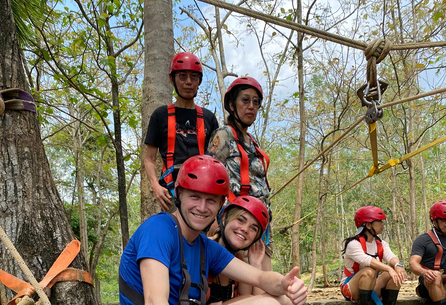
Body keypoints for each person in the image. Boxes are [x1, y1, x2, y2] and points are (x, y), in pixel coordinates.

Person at [119, 155, 307, 305]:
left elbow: (259, 277)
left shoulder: (206, 247)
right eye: (195, 196)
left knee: (281, 300)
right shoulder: (158, 229)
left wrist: (285, 285)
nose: (202, 207)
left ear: (220, 204)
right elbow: (154, 301)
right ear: (180, 194)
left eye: (211, 200)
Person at [208, 76, 273, 271]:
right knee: (240, 283)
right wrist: (213, 221)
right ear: (231, 104)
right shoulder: (224, 135)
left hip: (260, 223)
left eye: (256, 102)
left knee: (264, 279)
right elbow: (210, 177)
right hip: (236, 222)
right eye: (245, 100)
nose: (251, 106)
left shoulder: (253, 142)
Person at [145, 52, 219, 211]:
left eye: (194, 77)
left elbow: (217, 161)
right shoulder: (161, 115)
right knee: (173, 233)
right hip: (171, 193)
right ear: (172, 79)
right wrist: (156, 186)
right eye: (182, 76)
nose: (188, 82)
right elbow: (149, 159)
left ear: (199, 82)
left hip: (203, 192)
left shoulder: (209, 118)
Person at [340, 206, 407, 305]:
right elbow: (367, 260)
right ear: (368, 225)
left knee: (394, 274)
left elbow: (391, 256)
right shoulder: (353, 244)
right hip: (350, 287)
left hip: (371, 285)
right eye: (379, 221)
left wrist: (398, 266)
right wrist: (389, 269)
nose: (382, 224)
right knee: (369, 271)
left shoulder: (381, 243)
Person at [409, 200, 446, 305]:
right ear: (434, 221)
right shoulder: (423, 240)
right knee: (435, 277)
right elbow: (413, 264)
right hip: (430, 282)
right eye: (444, 219)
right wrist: (425, 272)